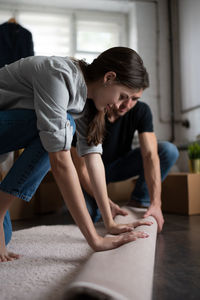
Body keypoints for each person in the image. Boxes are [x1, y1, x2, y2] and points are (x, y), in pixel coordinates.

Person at [0, 47, 153, 263]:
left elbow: (93, 159)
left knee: (3, 239)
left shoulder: (84, 101)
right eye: (122, 97)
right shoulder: (59, 74)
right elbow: (61, 162)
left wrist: (109, 222)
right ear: (109, 77)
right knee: (59, 131)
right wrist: (95, 239)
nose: (120, 106)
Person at [71, 83, 179, 234]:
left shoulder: (141, 110)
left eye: (134, 99)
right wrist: (107, 204)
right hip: (89, 171)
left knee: (168, 150)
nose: (127, 105)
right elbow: (81, 169)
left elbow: (150, 156)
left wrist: (156, 203)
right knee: (89, 217)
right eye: (123, 97)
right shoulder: (86, 109)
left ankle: (139, 202)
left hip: (118, 166)